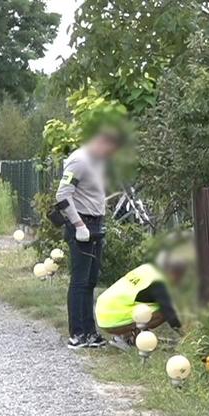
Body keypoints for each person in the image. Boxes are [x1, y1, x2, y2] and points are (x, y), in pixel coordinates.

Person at [53, 128, 124, 349]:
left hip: (96, 225)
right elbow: (62, 195)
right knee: (80, 281)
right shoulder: (79, 161)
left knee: (90, 282)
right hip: (82, 226)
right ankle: (77, 334)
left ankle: (90, 333)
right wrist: (78, 224)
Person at [94, 251, 187, 348]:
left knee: (154, 305)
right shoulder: (159, 283)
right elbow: (172, 316)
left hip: (104, 311)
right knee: (163, 310)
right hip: (112, 319)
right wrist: (188, 338)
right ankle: (126, 337)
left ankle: (135, 334)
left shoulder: (148, 268)